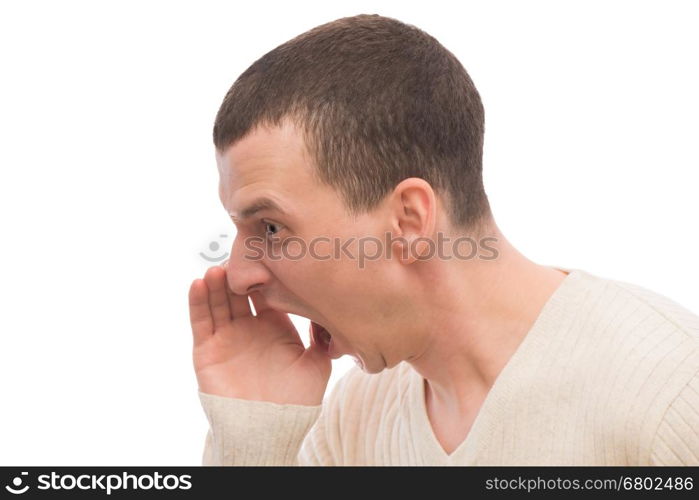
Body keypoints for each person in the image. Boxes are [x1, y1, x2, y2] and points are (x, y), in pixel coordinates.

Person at [188, 14, 699, 465]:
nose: (238, 274)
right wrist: (252, 443)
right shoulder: (350, 420)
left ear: (409, 220)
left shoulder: (669, 396)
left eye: (271, 229)